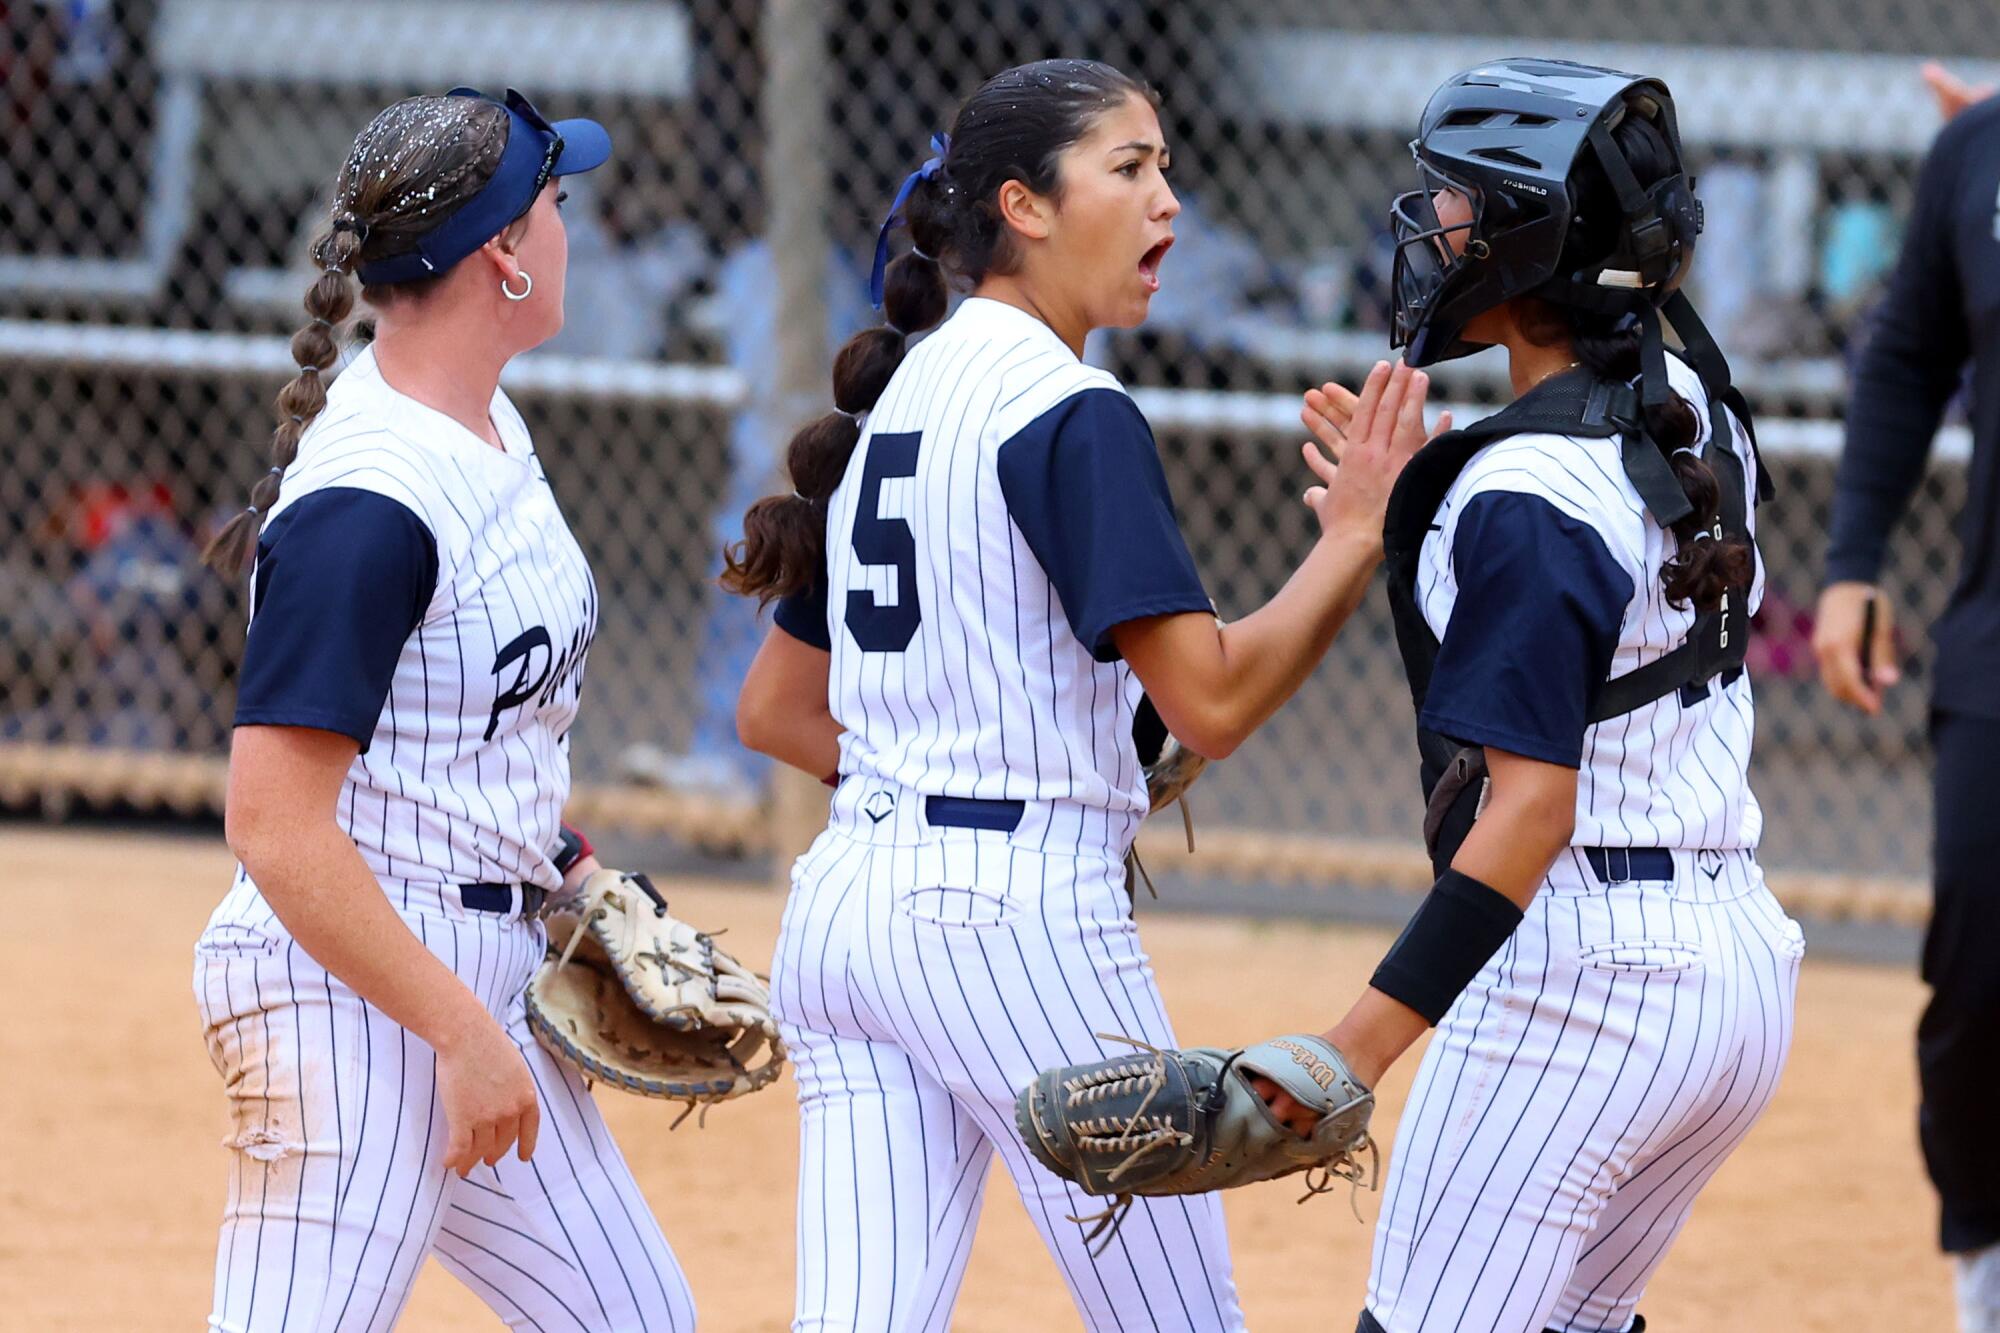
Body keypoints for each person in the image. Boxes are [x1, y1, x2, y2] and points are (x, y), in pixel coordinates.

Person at [723, 57, 1433, 1333]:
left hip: (844, 909)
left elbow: (774, 709)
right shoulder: (1069, 409)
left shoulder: (899, 399)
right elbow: (1209, 704)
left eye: (1162, 165)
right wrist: (1353, 539)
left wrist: (947, 770)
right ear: (1024, 207)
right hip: (1013, 921)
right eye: (1128, 167)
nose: (1166, 199)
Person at [1264, 60, 1801, 1332]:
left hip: (1583, 986)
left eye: (1451, 201)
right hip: (1728, 978)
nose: (1429, 224)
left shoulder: (1522, 495)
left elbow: (1526, 811)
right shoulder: (1694, 417)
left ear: (1527, 239)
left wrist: (1353, 1048)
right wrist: (1394, 509)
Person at [192, 88, 697, 1331]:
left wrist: (568, 870)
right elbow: (273, 825)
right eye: (556, 208)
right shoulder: (368, 502)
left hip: (479, 955)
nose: (572, 230)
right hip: (352, 987)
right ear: (503, 262)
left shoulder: (484, 424)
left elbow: (469, 728)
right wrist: (459, 1032)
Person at [1813, 60, 2000, 1333]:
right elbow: (1901, 360)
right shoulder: (1975, 155)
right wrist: (1850, 566)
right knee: (1981, 984)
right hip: (1997, 645)